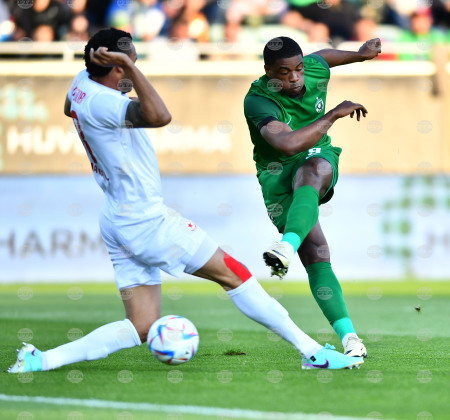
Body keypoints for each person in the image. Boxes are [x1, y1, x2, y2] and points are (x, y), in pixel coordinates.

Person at [8, 28, 363, 373]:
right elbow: (159, 116)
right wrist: (129, 69)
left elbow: (69, 106)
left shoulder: (81, 86)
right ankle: (312, 352)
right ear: (116, 67)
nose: (136, 68)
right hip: (145, 219)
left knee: (142, 326)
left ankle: (42, 360)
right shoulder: (105, 103)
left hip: (116, 218)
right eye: (132, 63)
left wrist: (119, 73)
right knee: (235, 274)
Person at [243, 36, 382, 358]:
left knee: (312, 169)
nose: (295, 78)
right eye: (284, 72)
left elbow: (324, 57)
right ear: (268, 71)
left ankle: (285, 247)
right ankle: (350, 339)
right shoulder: (258, 100)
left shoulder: (313, 68)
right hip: (277, 172)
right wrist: (332, 115)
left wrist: (359, 55)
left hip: (316, 154)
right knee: (317, 253)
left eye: (299, 69)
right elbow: (288, 144)